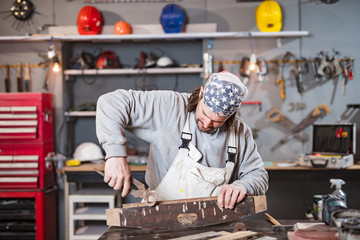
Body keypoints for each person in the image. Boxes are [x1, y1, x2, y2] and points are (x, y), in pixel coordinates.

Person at [96, 71, 268, 209]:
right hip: (160, 220)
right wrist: (115, 155)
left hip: (216, 227)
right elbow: (110, 102)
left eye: (217, 121)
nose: (207, 123)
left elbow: (258, 175)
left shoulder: (239, 132)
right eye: (205, 114)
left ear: (231, 116)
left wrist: (242, 186)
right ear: (201, 93)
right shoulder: (170, 108)